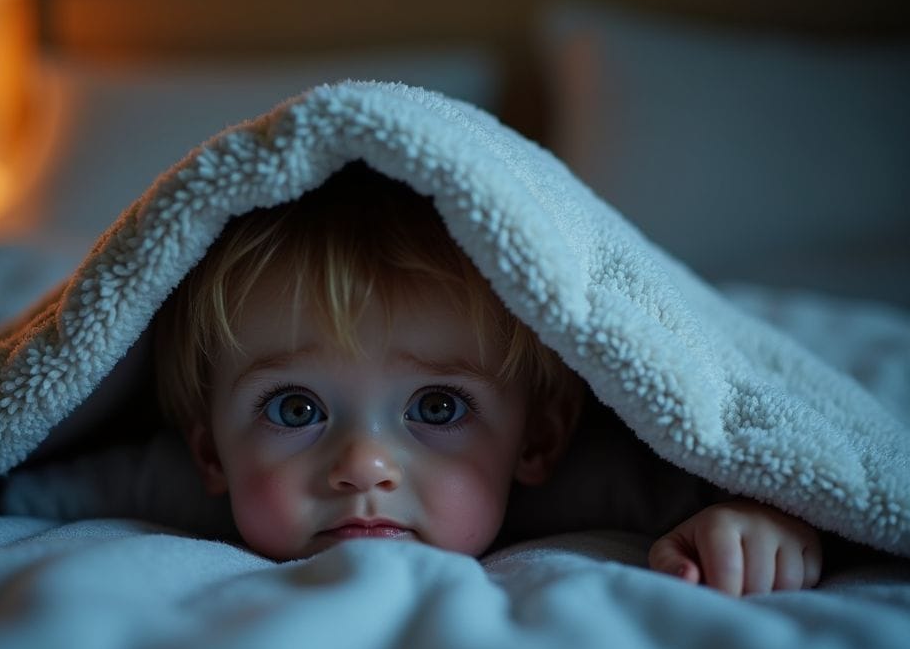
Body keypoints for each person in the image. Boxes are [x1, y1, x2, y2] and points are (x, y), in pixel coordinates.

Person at [154, 162, 822, 595]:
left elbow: (755, 464)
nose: (363, 467)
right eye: (295, 409)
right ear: (209, 451)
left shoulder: (611, 479)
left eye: (437, 407)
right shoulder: (155, 485)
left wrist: (759, 516)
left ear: (537, 440)